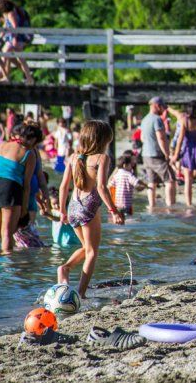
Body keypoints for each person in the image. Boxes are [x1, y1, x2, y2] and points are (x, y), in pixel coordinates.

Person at [57, 120, 124, 298]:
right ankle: (81, 293)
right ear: (103, 141)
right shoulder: (102, 158)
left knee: (86, 247)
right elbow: (101, 187)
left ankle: (65, 268)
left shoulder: (73, 157)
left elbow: (64, 186)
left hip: (73, 207)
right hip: (89, 207)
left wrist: (62, 211)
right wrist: (114, 210)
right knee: (93, 252)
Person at [0, 123, 41, 253]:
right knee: (7, 234)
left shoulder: (0, 145)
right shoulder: (29, 153)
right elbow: (26, 185)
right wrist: (24, 209)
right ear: (33, 140)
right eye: (36, 144)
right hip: (9, 187)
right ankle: (7, 272)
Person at [172, 100, 196, 206]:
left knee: (188, 180)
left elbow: (180, 139)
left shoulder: (185, 121)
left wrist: (176, 154)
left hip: (188, 150)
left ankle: (189, 204)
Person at [141, 97, 176, 208]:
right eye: (162, 106)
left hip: (145, 154)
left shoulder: (145, 119)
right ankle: (170, 207)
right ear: (156, 105)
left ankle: (152, 206)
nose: (163, 109)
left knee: (151, 182)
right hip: (156, 155)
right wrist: (167, 153)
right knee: (169, 180)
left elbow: (142, 138)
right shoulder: (157, 119)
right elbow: (161, 138)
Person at [0, 0, 33, 84]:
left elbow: (14, 27)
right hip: (13, 38)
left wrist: (14, 38)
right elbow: (6, 25)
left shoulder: (11, 13)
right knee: (19, 59)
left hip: (15, 38)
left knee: (6, 54)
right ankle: (29, 78)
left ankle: (3, 76)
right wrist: (2, 34)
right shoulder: (7, 14)